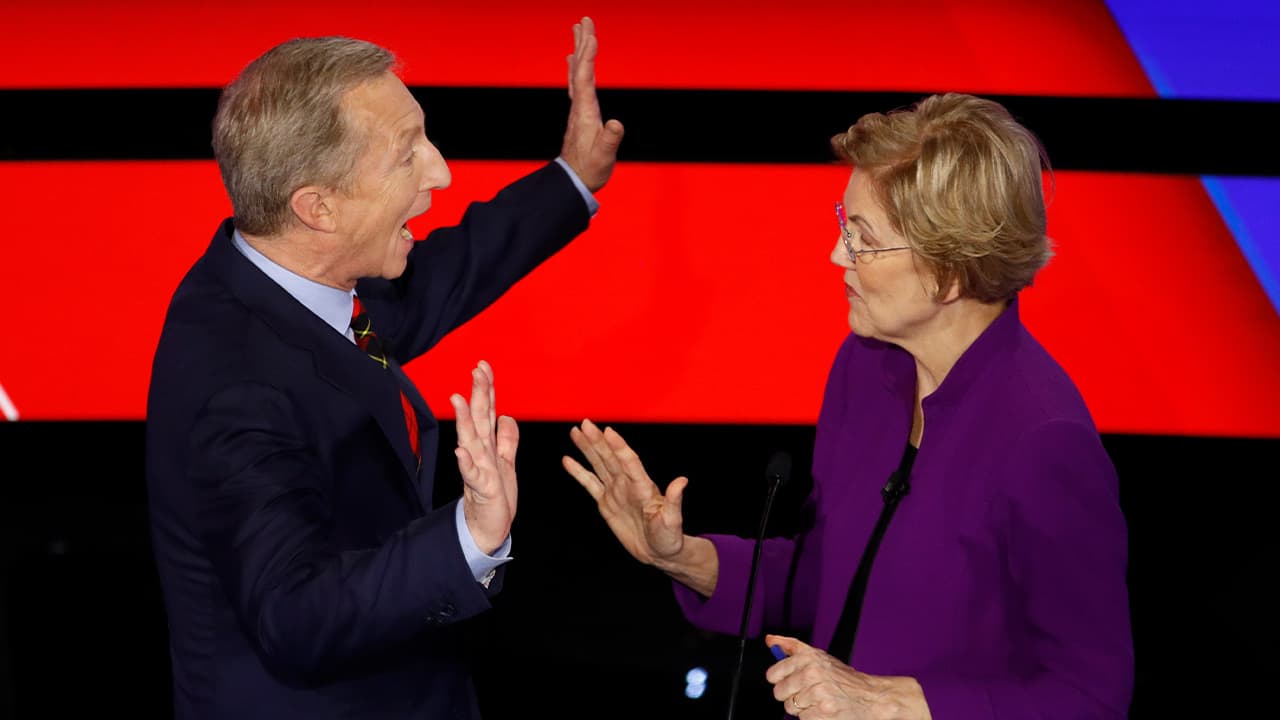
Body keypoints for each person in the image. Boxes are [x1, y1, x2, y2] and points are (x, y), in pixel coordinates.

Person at [563, 93, 1132, 719]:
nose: (837, 256)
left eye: (861, 240)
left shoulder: (1044, 440)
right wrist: (684, 558)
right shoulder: (867, 367)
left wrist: (903, 703)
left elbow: (1090, 696)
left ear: (948, 272)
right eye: (844, 225)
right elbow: (824, 581)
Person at [145, 17, 623, 719]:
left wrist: (571, 180)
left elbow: (432, 284)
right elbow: (295, 617)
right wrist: (471, 537)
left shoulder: (285, 278)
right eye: (408, 155)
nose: (441, 171)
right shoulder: (237, 386)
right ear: (318, 207)